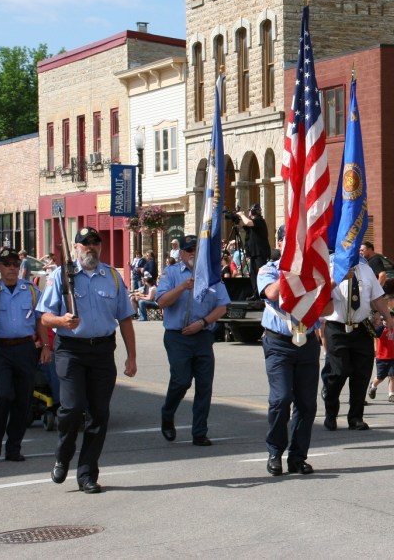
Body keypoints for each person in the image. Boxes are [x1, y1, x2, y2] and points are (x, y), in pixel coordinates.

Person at [36, 227, 137, 495]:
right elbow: (44, 316)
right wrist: (61, 321)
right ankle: (63, 455)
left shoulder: (112, 276)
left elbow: (125, 318)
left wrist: (132, 356)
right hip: (71, 350)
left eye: (95, 242)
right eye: (85, 243)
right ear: (76, 248)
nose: (91, 246)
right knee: (72, 407)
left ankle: (87, 474)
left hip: (102, 350)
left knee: (99, 414)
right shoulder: (61, 276)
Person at [258, 224, 330, 476]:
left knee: (306, 404)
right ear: (280, 244)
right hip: (279, 343)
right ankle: (275, 452)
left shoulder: (314, 271)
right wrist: (289, 270)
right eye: (289, 242)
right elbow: (271, 293)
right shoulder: (268, 269)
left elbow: (329, 309)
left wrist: (322, 285)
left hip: (307, 342)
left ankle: (298, 457)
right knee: (281, 399)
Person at [0, 246, 50, 461]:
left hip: (26, 349)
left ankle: (14, 447)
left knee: (23, 400)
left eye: (16, 264)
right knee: (4, 394)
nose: (12, 268)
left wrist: (45, 346)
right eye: (7, 264)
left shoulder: (31, 290)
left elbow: (40, 321)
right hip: (1, 349)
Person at [155, 234, 230, 446]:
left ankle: (199, 432)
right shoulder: (171, 273)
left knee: (204, 386)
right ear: (181, 253)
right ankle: (168, 413)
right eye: (189, 250)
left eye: (197, 250)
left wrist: (203, 323)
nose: (193, 254)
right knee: (181, 381)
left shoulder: (212, 274)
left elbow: (222, 306)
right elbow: (161, 302)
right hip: (177, 336)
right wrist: (181, 287)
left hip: (202, 335)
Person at [322, 245, 394, 431]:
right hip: (337, 327)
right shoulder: (330, 267)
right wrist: (337, 278)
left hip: (361, 327)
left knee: (361, 374)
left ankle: (355, 417)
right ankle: (331, 412)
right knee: (338, 372)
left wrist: (388, 317)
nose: (353, 251)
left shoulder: (366, 270)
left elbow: (377, 298)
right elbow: (320, 294)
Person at [368, 295, 394, 403]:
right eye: (386, 319)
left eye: (391, 319)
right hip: (382, 357)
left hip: (392, 357)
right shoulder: (381, 329)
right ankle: (373, 385)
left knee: (392, 376)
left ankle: (391, 394)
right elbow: (374, 334)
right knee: (380, 377)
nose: (389, 321)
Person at [238, 204, 271, 297]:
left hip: (260, 252)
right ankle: (256, 294)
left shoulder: (259, 220)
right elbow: (243, 225)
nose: (248, 212)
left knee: (262, 272)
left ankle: (264, 293)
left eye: (249, 210)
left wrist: (241, 214)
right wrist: (237, 218)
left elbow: (248, 222)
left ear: (253, 211)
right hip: (254, 253)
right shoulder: (252, 223)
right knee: (253, 274)